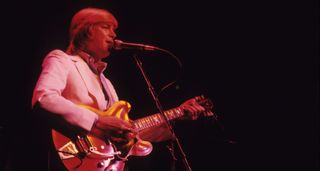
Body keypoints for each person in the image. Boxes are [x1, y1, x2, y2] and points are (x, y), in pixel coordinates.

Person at [32, 7, 206, 171]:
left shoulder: (106, 82)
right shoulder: (62, 59)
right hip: (75, 155)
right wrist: (96, 122)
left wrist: (178, 114)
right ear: (88, 30)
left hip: (106, 164)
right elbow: (44, 98)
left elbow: (127, 131)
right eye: (106, 27)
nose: (114, 34)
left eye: (114, 29)